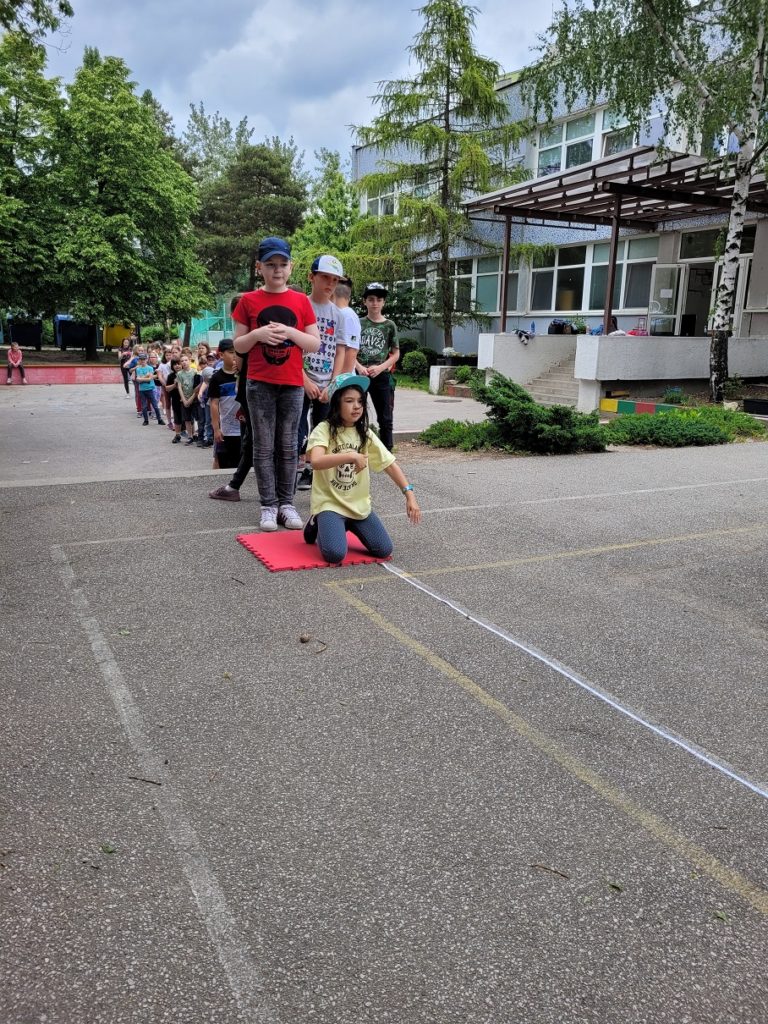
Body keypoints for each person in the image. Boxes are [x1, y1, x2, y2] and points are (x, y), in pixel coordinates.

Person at [232, 236, 320, 532]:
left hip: (292, 383)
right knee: (263, 446)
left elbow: (314, 343)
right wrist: (258, 335)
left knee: (288, 445)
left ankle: (287, 503)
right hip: (259, 383)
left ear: (291, 267)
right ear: (259, 267)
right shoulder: (248, 301)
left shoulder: (301, 301)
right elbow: (238, 345)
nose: (277, 269)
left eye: (282, 264)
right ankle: (268, 505)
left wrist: (290, 333)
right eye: (271, 264)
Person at [304, 372, 420, 565]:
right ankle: (317, 521)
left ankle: (344, 525)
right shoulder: (323, 429)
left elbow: (389, 464)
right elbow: (315, 461)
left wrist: (409, 495)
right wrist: (351, 456)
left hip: (358, 506)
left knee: (384, 549)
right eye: (349, 401)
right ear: (336, 404)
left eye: (360, 401)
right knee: (335, 554)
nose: (357, 406)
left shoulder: (365, 433)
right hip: (330, 504)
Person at [296, 254, 348, 492]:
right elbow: (292, 348)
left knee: (321, 430)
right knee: (296, 431)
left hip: (326, 383)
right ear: (312, 277)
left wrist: (332, 384)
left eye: (335, 280)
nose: (330, 284)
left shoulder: (338, 314)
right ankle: (289, 472)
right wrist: (304, 380)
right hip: (301, 380)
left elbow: (340, 350)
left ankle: (312, 471)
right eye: (325, 277)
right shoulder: (300, 306)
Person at [356, 283, 399, 451]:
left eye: (379, 300)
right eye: (371, 299)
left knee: (385, 418)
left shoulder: (389, 325)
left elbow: (395, 353)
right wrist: (359, 367)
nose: (375, 303)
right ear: (364, 301)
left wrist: (381, 367)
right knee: (356, 415)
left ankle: (387, 452)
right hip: (360, 374)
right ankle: (358, 450)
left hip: (381, 375)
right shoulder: (358, 323)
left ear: (383, 302)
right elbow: (348, 350)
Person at [207, 340, 242, 471]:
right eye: (231, 352)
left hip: (245, 428)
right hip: (227, 430)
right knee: (226, 465)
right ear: (221, 355)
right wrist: (216, 429)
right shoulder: (217, 378)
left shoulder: (244, 374)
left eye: (237, 353)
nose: (235, 356)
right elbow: (214, 404)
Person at [334, 278, 362, 373]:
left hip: (341, 377)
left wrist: (341, 378)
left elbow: (351, 351)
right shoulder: (339, 314)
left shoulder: (348, 316)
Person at [131, 352, 165, 425]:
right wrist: (146, 376)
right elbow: (138, 380)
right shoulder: (138, 369)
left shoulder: (150, 368)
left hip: (150, 389)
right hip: (142, 390)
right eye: (141, 359)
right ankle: (146, 420)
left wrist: (142, 378)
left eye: (144, 359)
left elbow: (150, 378)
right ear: (139, 360)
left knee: (155, 405)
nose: (142, 361)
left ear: (147, 360)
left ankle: (159, 419)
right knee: (144, 406)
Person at [175, 354, 201, 444]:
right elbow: (179, 387)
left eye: (186, 360)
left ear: (189, 361)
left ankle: (197, 434)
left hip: (194, 398)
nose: (184, 362)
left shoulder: (195, 372)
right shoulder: (179, 374)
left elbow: (197, 387)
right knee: (187, 419)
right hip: (184, 399)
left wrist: (191, 398)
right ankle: (190, 436)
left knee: (196, 417)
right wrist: (184, 400)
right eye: (182, 361)